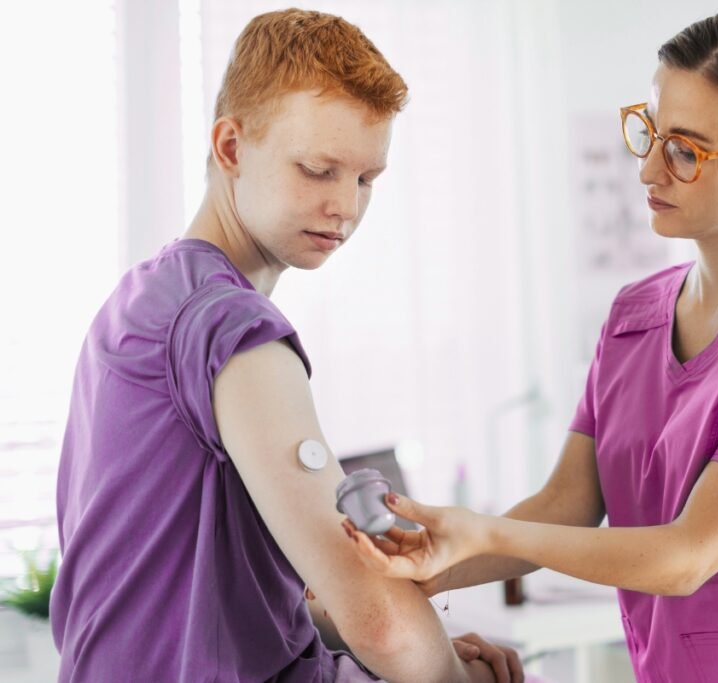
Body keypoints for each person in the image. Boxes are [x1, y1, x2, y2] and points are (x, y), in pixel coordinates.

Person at [345, 7, 718, 683]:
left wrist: (485, 532)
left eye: (686, 150)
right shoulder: (634, 316)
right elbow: (566, 503)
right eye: (650, 133)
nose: (649, 169)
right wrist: (420, 561)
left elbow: (687, 555)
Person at [51, 9, 524, 683]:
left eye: (365, 179)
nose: (346, 207)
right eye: (318, 169)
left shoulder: (137, 303)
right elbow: (382, 623)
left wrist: (434, 644)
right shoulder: (234, 333)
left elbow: (221, 586)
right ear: (232, 147)